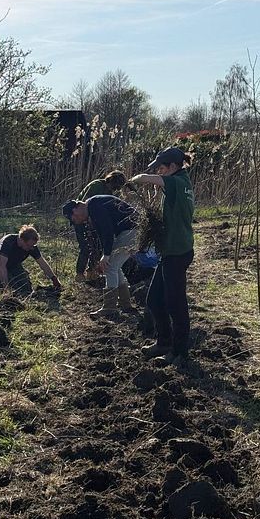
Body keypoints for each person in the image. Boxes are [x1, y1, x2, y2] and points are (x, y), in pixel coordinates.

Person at [129, 146, 194, 368]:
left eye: (162, 168)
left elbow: (152, 180)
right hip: (171, 252)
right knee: (154, 300)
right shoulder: (179, 183)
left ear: (174, 167)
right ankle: (164, 342)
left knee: (176, 304)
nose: (160, 172)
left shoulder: (179, 182)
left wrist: (136, 179)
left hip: (177, 253)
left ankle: (180, 352)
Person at [62, 194, 137, 317]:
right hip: (130, 231)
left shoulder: (94, 206)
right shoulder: (93, 207)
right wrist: (104, 255)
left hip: (131, 231)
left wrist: (106, 255)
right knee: (113, 266)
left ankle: (110, 308)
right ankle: (125, 304)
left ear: (75, 210)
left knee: (111, 266)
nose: (77, 222)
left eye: (74, 219)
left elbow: (108, 231)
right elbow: (104, 235)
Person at [73, 171, 127, 282]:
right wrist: (87, 223)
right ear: (109, 180)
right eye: (113, 186)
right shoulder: (96, 185)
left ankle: (92, 272)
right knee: (85, 247)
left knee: (97, 245)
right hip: (80, 218)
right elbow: (82, 204)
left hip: (96, 221)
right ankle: (79, 274)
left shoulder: (112, 192)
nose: (114, 189)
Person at [0, 225, 62, 294]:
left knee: (26, 289)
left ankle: (3, 280)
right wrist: (6, 289)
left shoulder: (31, 246)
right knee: (13, 287)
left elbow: (42, 263)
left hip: (14, 265)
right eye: (29, 245)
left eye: (33, 245)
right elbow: (1, 266)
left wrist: (54, 279)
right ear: (21, 240)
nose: (31, 248)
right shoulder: (8, 242)